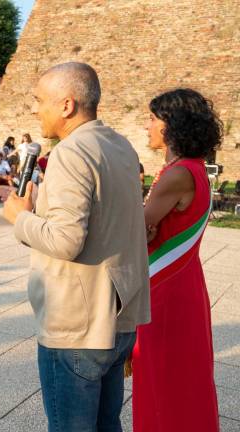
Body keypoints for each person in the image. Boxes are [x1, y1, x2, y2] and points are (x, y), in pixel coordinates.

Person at [2, 62, 150, 431]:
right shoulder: (119, 145)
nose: (35, 109)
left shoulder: (71, 153)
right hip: (118, 313)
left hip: (78, 323)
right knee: (106, 424)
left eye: (39, 101)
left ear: (66, 105)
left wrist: (20, 216)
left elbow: (66, 241)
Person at [131, 89, 221, 432]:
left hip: (165, 292)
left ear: (172, 125)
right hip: (184, 283)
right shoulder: (193, 169)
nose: (147, 125)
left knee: (164, 384)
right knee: (182, 380)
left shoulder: (177, 174)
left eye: (153, 118)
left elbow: (135, 230)